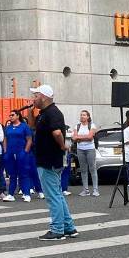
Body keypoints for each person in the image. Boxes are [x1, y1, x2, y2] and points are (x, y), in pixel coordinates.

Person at [29, 85, 77, 241]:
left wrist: (62, 146)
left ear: (43, 97)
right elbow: (32, 126)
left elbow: (57, 132)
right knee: (57, 194)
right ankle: (69, 227)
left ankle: (57, 229)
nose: (33, 99)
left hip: (48, 160)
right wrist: (30, 112)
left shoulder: (53, 113)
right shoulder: (44, 114)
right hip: (47, 159)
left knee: (52, 196)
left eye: (35, 96)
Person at [72, 110, 99, 197]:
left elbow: (90, 137)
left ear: (88, 117)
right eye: (81, 115)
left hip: (90, 149)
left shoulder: (92, 125)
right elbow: (74, 138)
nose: (82, 116)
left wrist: (79, 138)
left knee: (92, 168)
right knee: (83, 170)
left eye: (84, 115)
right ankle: (85, 189)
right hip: (80, 149)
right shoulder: (77, 126)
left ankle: (95, 189)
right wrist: (84, 137)